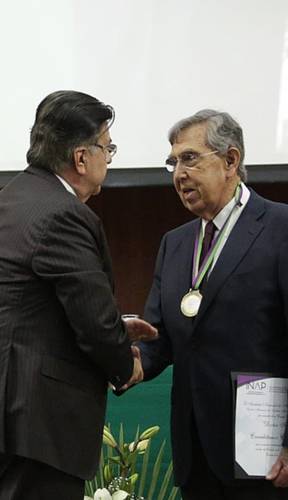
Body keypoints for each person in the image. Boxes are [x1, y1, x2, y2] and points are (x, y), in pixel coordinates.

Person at [0, 90, 156, 500]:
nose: (109, 157)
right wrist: (124, 364)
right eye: (108, 147)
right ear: (81, 159)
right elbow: (93, 321)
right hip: (39, 423)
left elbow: (29, 306)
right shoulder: (63, 214)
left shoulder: (13, 199)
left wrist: (114, 327)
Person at [136, 109, 288, 499]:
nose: (178, 174)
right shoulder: (175, 243)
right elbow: (158, 342)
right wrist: (122, 361)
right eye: (173, 162)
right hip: (196, 452)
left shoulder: (280, 228)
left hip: (266, 453)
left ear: (231, 161)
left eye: (190, 158)